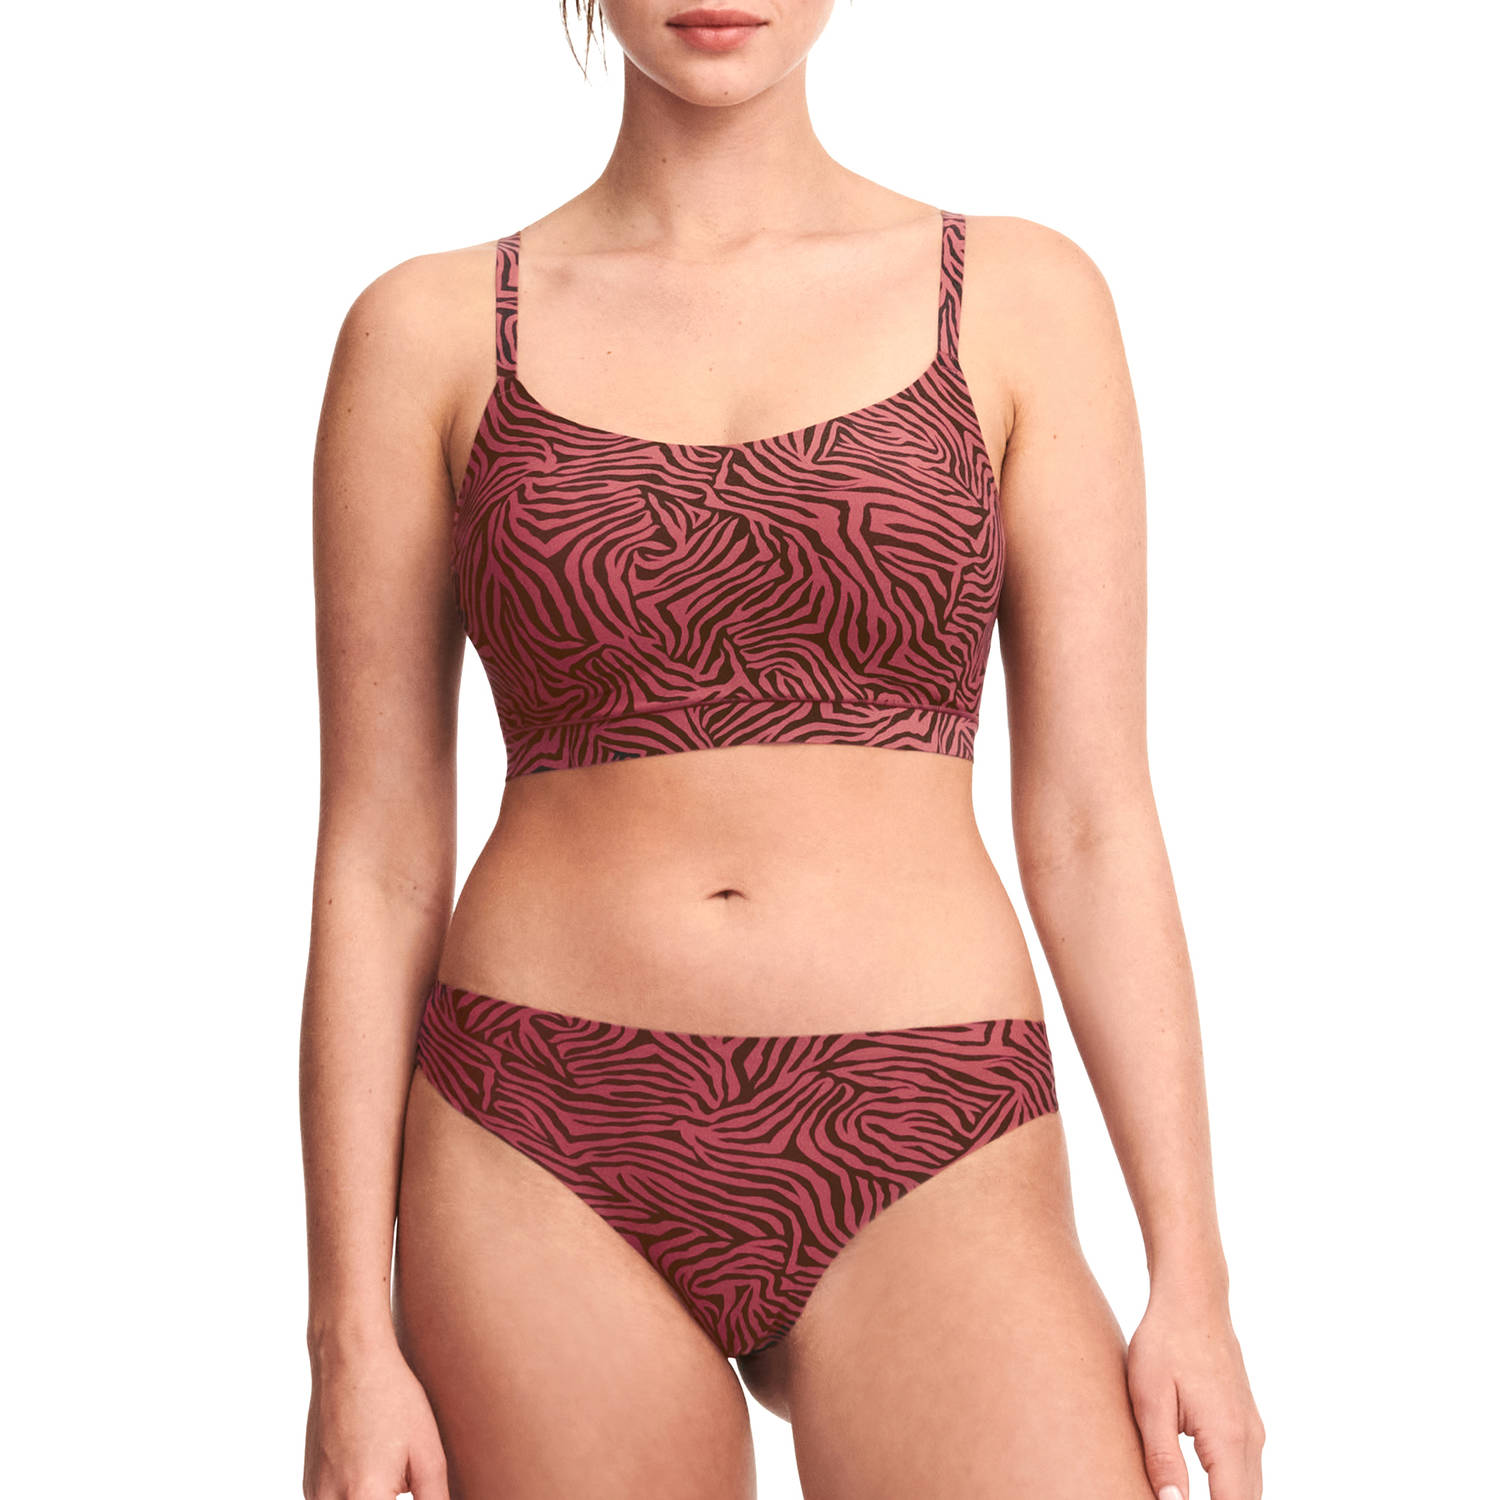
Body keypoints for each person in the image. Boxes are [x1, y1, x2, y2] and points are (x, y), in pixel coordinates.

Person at [300, 2, 1265, 1496]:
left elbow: (1092, 821)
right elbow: (377, 857)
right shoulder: (426, 331)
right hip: (538, 1130)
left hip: (934, 1119)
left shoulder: (1019, 299)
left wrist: (1191, 1276)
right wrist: (346, 1340)